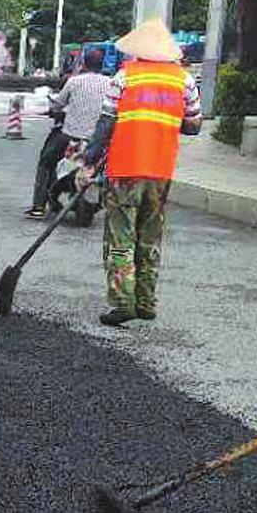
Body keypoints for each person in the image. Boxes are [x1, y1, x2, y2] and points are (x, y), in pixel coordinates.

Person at [83, 17, 201, 327]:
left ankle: (123, 302)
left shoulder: (125, 77)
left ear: (138, 50)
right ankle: (147, 302)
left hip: (124, 169)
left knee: (120, 236)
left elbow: (105, 124)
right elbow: (194, 125)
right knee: (150, 236)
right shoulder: (184, 81)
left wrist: (88, 161)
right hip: (161, 170)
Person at [27, 47, 115, 217]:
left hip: (69, 136)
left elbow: (58, 104)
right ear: (102, 65)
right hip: (98, 140)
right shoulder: (111, 83)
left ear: (83, 63)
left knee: (46, 161)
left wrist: (52, 107)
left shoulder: (74, 82)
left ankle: (38, 205)